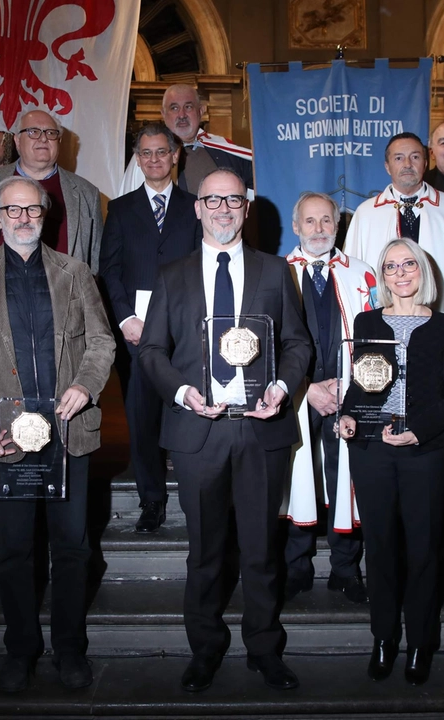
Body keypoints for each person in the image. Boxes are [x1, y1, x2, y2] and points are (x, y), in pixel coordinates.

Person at [138, 168, 312, 693]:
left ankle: (264, 649)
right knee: (205, 552)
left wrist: (281, 387)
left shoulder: (276, 271)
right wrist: (180, 392)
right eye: (212, 200)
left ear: (246, 207)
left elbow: (299, 345)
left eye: (233, 200)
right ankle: (206, 649)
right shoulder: (172, 275)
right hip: (198, 431)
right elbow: (150, 351)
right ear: (197, 207)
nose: (222, 209)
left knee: (260, 550)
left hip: (261, 430)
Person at [0, 176, 114, 692]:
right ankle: (20, 649)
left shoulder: (76, 272)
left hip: (68, 433)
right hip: (7, 441)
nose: (23, 219)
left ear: (46, 216)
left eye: (33, 211)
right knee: (14, 551)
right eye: (12, 211)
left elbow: (102, 342)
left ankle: (70, 649)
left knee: (72, 548)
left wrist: (86, 387)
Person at [336, 238, 444, 685]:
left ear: (423, 270)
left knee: (423, 550)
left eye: (408, 264)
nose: (401, 273)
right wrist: (348, 416)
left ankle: (420, 643)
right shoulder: (367, 320)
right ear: (383, 275)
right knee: (381, 548)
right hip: (372, 450)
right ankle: (383, 637)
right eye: (391, 266)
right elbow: (360, 386)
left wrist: (421, 430)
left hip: (424, 452)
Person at [99, 122, 202, 533]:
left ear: (176, 156)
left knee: (187, 413)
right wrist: (125, 318)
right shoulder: (121, 210)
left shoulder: (196, 206)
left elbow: (201, 267)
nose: (155, 159)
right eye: (146, 153)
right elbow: (110, 269)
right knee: (141, 419)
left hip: (185, 333)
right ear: (137, 158)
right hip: (136, 333)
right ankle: (152, 500)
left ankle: (196, 498)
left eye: (162, 151)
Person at [281, 192, 376, 605]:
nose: (318, 229)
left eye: (326, 221)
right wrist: (306, 387)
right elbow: (266, 342)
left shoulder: (363, 273)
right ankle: (296, 566)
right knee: (295, 477)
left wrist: (350, 386)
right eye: (310, 221)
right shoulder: (275, 272)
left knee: (347, 480)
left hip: (348, 394)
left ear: (337, 226)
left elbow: (377, 339)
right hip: (296, 394)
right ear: (295, 226)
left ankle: (345, 568)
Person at [346, 133, 444, 316]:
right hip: (383, 320)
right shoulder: (366, 214)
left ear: (426, 164)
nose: (407, 164)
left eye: (415, 157)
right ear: (387, 166)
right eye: (399, 158)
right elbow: (353, 274)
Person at [0, 109, 104, 272]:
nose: (43, 138)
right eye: (33, 132)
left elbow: (97, 261)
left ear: (59, 142)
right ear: (17, 141)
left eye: (51, 133)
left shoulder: (87, 193)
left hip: (63, 293)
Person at [119, 84, 254, 196]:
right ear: (163, 114)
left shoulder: (226, 150)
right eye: (174, 108)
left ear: (200, 111)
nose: (182, 115)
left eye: (188, 107)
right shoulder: (146, 158)